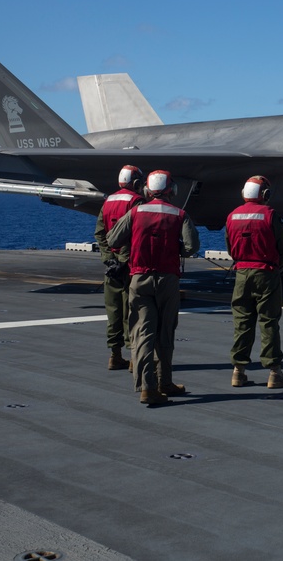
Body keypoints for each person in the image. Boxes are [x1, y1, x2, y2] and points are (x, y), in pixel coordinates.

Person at [107, 170, 200, 405]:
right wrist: (173, 248)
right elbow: (191, 246)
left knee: (142, 333)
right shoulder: (180, 215)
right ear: (172, 191)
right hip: (167, 280)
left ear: (147, 190)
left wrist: (137, 242)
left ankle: (147, 388)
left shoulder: (135, 212)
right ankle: (164, 381)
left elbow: (112, 240)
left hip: (139, 279)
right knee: (165, 332)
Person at [226, 175, 283, 389]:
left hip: (241, 274)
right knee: (269, 322)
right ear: (265, 194)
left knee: (242, 323)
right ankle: (275, 372)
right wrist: (277, 268)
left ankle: (238, 371)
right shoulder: (270, 215)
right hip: (266, 273)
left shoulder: (232, 216)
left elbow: (230, 248)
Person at [94, 165, 144, 371]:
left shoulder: (108, 201)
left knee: (113, 310)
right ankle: (134, 358)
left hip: (112, 266)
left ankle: (114, 356)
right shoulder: (137, 202)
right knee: (132, 311)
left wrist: (109, 259)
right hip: (129, 265)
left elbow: (100, 234)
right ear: (136, 183)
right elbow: (138, 235)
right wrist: (124, 260)